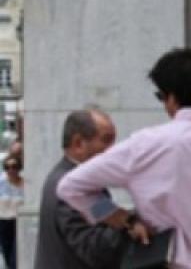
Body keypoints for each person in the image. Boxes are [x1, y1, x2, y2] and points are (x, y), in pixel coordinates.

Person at [57, 48, 191, 269]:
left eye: (160, 97)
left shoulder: (144, 146)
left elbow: (70, 187)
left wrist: (123, 218)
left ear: (171, 98)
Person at [35, 109, 138, 269]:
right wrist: (132, 223)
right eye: (106, 140)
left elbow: (108, 219)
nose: (113, 150)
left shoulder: (79, 181)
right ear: (78, 144)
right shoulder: (69, 188)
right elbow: (95, 250)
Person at [0, 155, 22, 268]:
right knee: (7, 253)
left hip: (19, 222)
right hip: (3, 222)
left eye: (14, 166)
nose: (11, 170)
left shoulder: (25, 185)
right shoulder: (1, 184)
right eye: (7, 167)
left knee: (16, 256)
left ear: (19, 168)